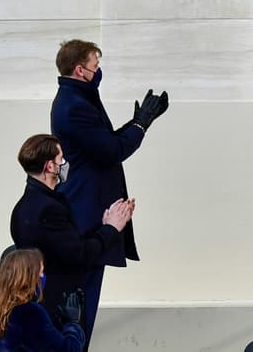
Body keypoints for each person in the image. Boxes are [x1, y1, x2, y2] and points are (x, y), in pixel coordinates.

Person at [49, 39, 166, 346]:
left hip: (87, 208)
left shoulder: (79, 97)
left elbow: (104, 141)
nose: (98, 71)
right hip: (87, 213)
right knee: (80, 306)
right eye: (95, 65)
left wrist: (139, 123)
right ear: (80, 70)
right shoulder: (75, 106)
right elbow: (110, 151)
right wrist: (140, 126)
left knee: (82, 304)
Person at [8, 134, 132, 345]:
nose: (65, 164)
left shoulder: (24, 206)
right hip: (57, 308)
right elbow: (80, 255)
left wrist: (103, 226)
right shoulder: (48, 209)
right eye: (61, 159)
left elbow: (65, 246)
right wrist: (112, 228)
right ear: (50, 166)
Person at [0, 248, 85, 352]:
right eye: (41, 272)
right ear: (29, 278)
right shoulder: (31, 313)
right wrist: (73, 325)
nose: (43, 276)